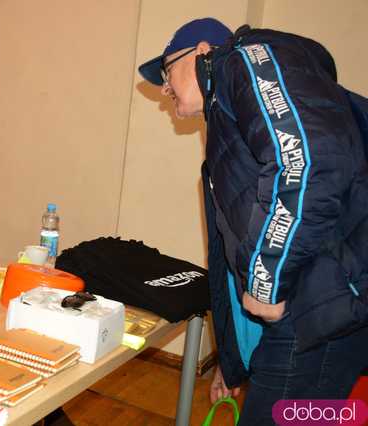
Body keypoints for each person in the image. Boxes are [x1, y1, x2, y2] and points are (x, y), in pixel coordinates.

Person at [139, 18, 368, 423]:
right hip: (328, 308)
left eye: (167, 70)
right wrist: (233, 360)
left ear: (202, 52)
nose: (164, 87)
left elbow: (310, 166)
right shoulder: (227, 132)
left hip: (318, 314)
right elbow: (233, 263)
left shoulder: (241, 62)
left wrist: (268, 282)